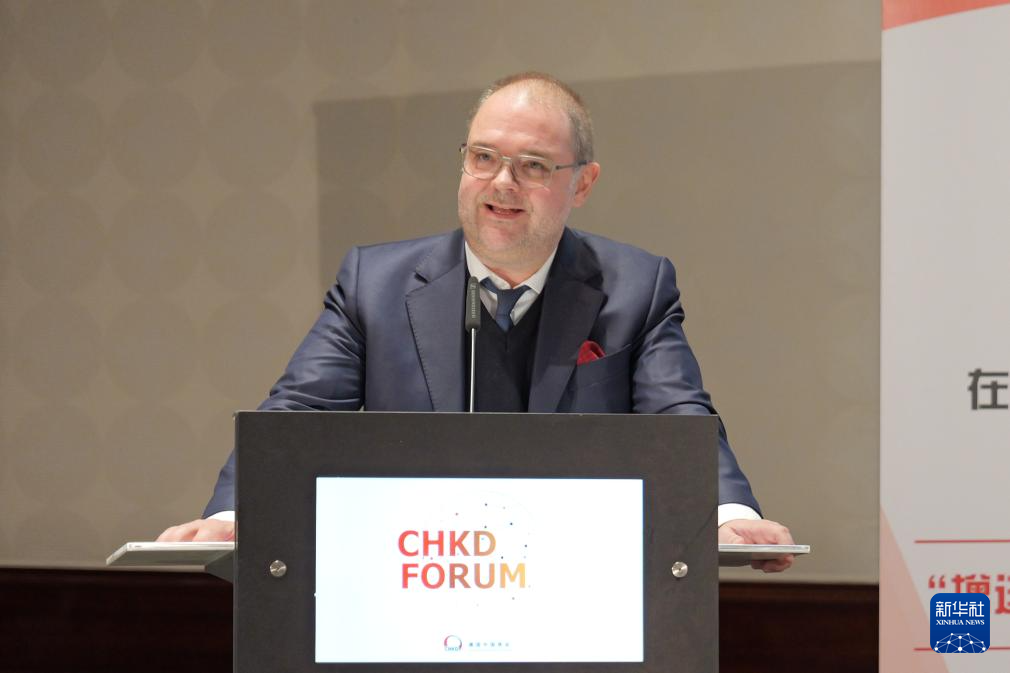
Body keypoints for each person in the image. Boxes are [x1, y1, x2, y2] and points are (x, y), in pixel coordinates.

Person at [160, 72, 794, 572]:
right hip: (417, 573)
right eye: (483, 156)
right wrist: (233, 516)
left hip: (572, 581)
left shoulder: (636, 287)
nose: (502, 183)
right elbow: (297, 415)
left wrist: (728, 514)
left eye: (534, 165)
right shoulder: (374, 284)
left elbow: (680, 419)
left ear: (583, 184)